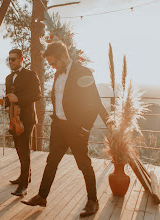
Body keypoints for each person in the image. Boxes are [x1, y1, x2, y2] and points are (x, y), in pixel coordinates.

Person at [21, 42, 108, 217]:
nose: (52, 67)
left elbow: (96, 103)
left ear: (63, 56)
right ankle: (42, 196)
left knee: (83, 164)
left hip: (76, 129)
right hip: (58, 127)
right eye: (50, 64)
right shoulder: (57, 74)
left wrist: (86, 128)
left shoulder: (83, 72)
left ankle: (93, 201)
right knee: (51, 161)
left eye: (54, 63)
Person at [2, 49, 41, 196]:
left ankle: (24, 185)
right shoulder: (8, 78)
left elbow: (37, 95)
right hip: (14, 119)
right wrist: (5, 101)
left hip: (26, 118)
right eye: (9, 60)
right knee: (18, 148)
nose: (11, 62)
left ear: (21, 60)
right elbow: (9, 97)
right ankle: (25, 176)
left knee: (24, 150)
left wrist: (18, 99)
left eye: (13, 59)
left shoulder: (30, 75)